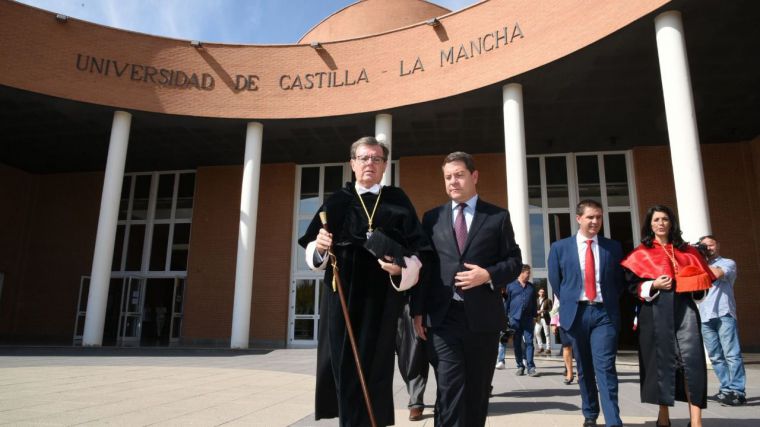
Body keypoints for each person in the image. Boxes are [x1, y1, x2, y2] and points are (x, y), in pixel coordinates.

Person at [298, 136, 430, 427]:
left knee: (377, 366)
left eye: (377, 159)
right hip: (342, 296)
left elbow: (420, 251)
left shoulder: (398, 200)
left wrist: (401, 270)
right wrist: (319, 247)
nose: (370, 163)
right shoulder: (336, 201)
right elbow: (314, 252)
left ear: (384, 166)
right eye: (364, 158)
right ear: (352, 164)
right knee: (344, 365)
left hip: (383, 298)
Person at [413, 151, 522, 427]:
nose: (453, 182)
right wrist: (417, 311)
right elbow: (424, 268)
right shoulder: (432, 218)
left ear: (474, 176)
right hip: (443, 317)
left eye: (459, 175)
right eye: (448, 177)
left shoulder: (497, 217)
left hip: (482, 319)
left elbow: (514, 262)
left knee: (476, 391)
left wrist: (488, 275)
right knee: (449, 389)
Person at [620, 205, 715, 427]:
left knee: (692, 362)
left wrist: (694, 283)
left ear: (671, 223)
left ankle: (696, 420)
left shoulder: (689, 252)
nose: (661, 223)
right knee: (661, 363)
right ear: (650, 225)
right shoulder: (640, 253)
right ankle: (663, 415)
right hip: (654, 310)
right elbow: (632, 288)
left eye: (665, 219)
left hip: (685, 310)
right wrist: (653, 284)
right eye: (656, 220)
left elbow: (702, 289)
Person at [548, 199, 625, 427]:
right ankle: (590, 414)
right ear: (579, 218)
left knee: (606, 367)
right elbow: (556, 281)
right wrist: (571, 300)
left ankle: (613, 421)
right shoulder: (560, 248)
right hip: (577, 314)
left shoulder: (613, 247)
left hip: (604, 314)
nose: (595, 221)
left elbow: (618, 282)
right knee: (584, 368)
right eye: (590, 217)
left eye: (599, 217)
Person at [697, 235, 747, 406]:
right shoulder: (699, 264)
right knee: (716, 356)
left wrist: (699, 259)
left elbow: (717, 274)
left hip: (724, 313)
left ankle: (738, 391)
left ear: (717, 246)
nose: (707, 248)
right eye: (703, 246)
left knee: (732, 354)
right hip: (704, 315)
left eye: (710, 245)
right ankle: (726, 388)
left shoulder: (727, 262)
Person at [396, 299, 430, 421]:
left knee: (415, 351)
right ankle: (415, 398)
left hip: (418, 295)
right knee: (405, 351)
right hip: (396, 295)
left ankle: (416, 401)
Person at [505, 265, 538, 376]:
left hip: (528, 319)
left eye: (529, 273)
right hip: (515, 319)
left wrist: (535, 316)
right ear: (521, 273)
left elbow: (534, 303)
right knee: (517, 343)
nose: (529, 275)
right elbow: (507, 302)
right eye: (527, 273)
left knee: (529, 342)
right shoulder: (510, 286)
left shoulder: (532, 287)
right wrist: (505, 318)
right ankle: (520, 366)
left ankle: (531, 367)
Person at [550, 297, 575, 385]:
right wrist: (553, 323)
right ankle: (569, 373)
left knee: (579, 348)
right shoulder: (560, 288)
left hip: (578, 321)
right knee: (566, 347)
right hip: (563, 321)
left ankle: (581, 374)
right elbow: (556, 306)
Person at [535, 287, 553, 355]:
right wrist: (536, 312)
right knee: (536, 332)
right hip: (539, 318)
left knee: (547, 333)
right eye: (541, 292)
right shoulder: (536, 300)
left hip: (545, 318)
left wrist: (543, 311)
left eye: (543, 292)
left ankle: (548, 348)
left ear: (544, 293)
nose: (542, 293)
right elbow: (535, 309)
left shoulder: (548, 300)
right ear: (538, 293)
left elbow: (550, 310)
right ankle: (541, 347)